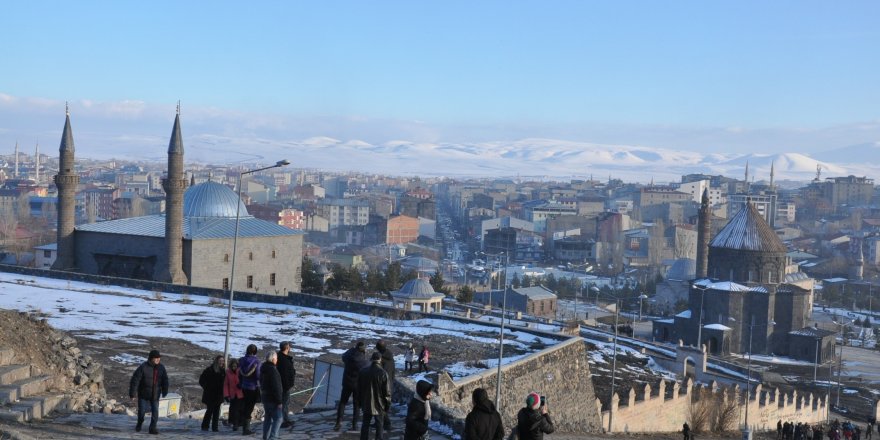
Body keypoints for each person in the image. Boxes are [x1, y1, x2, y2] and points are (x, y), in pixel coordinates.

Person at [128, 349, 169, 435]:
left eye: (159, 358)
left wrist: (165, 390)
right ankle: (139, 423)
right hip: (143, 394)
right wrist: (132, 393)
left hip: (155, 394)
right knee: (142, 412)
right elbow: (135, 380)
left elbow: (165, 380)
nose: (158, 359)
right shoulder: (143, 367)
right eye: (156, 358)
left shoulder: (161, 368)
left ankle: (152, 428)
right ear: (151, 358)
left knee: (155, 412)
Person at [336, 341, 369, 431]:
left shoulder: (349, 354)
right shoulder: (362, 359)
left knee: (343, 402)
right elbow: (367, 367)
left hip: (347, 382)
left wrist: (352, 350)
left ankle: (338, 422)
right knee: (356, 405)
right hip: (357, 384)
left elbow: (343, 357)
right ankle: (354, 425)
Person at [358, 352, 390, 440]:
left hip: (366, 402)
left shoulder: (363, 371)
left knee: (365, 424)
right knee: (379, 425)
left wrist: (360, 402)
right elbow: (387, 392)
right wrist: (387, 405)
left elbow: (359, 390)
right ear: (380, 359)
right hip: (379, 404)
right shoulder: (383, 373)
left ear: (372, 359)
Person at [239, 344, 262, 436]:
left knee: (244, 406)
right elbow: (257, 375)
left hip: (244, 386)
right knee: (249, 408)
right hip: (252, 387)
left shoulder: (242, 360)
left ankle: (242, 425)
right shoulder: (256, 361)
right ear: (255, 351)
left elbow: (239, 374)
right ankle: (246, 429)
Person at [199, 355, 226, 432]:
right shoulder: (209, 370)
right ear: (216, 361)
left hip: (219, 395)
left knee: (217, 412)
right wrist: (206, 387)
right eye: (220, 360)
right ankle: (205, 426)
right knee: (210, 410)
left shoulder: (223, 371)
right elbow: (201, 380)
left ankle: (215, 427)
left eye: (222, 361)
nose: (221, 362)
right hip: (210, 394)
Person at [261, 351, 284, 440]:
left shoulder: (264, 368)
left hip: (265, 397)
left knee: (268, 418)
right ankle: (273, 437)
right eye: (276, 358)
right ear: (273, 359)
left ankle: (265, 437)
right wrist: (279, 401)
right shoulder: (273, 370)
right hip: (273, 399)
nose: (277, 360)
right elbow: (276, 387)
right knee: (278, 418)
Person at [375, 340, 395, 431]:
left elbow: (382, 373)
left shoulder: (382, 359)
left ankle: (387, 423)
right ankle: (378, 422)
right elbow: (393, 372)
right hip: (389, 383)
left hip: (383, 385)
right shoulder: (390, 356)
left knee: (381, 405)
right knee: (381, 404)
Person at [276, 341, 296, 429]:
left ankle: (286, 419)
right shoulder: (283, 360)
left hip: (284, 385)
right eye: (289, 347)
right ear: (287, 348)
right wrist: (287, 385)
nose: (290, 348)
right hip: (284, 386)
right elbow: (284, 374)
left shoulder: (280, 357)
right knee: (284, 404)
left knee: (285, 403)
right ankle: (284, 421)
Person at [224, 358, 244, 431]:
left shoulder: (240, 372)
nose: (234, 368)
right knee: (234, 410)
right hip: (232, 394)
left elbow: (243, 380)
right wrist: (226, 395)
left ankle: (239, 423)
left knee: (240, 409)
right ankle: (235, 424)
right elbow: (226, 384)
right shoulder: (228, 373)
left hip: (241, 393)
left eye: (235, 366)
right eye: (232, 366)